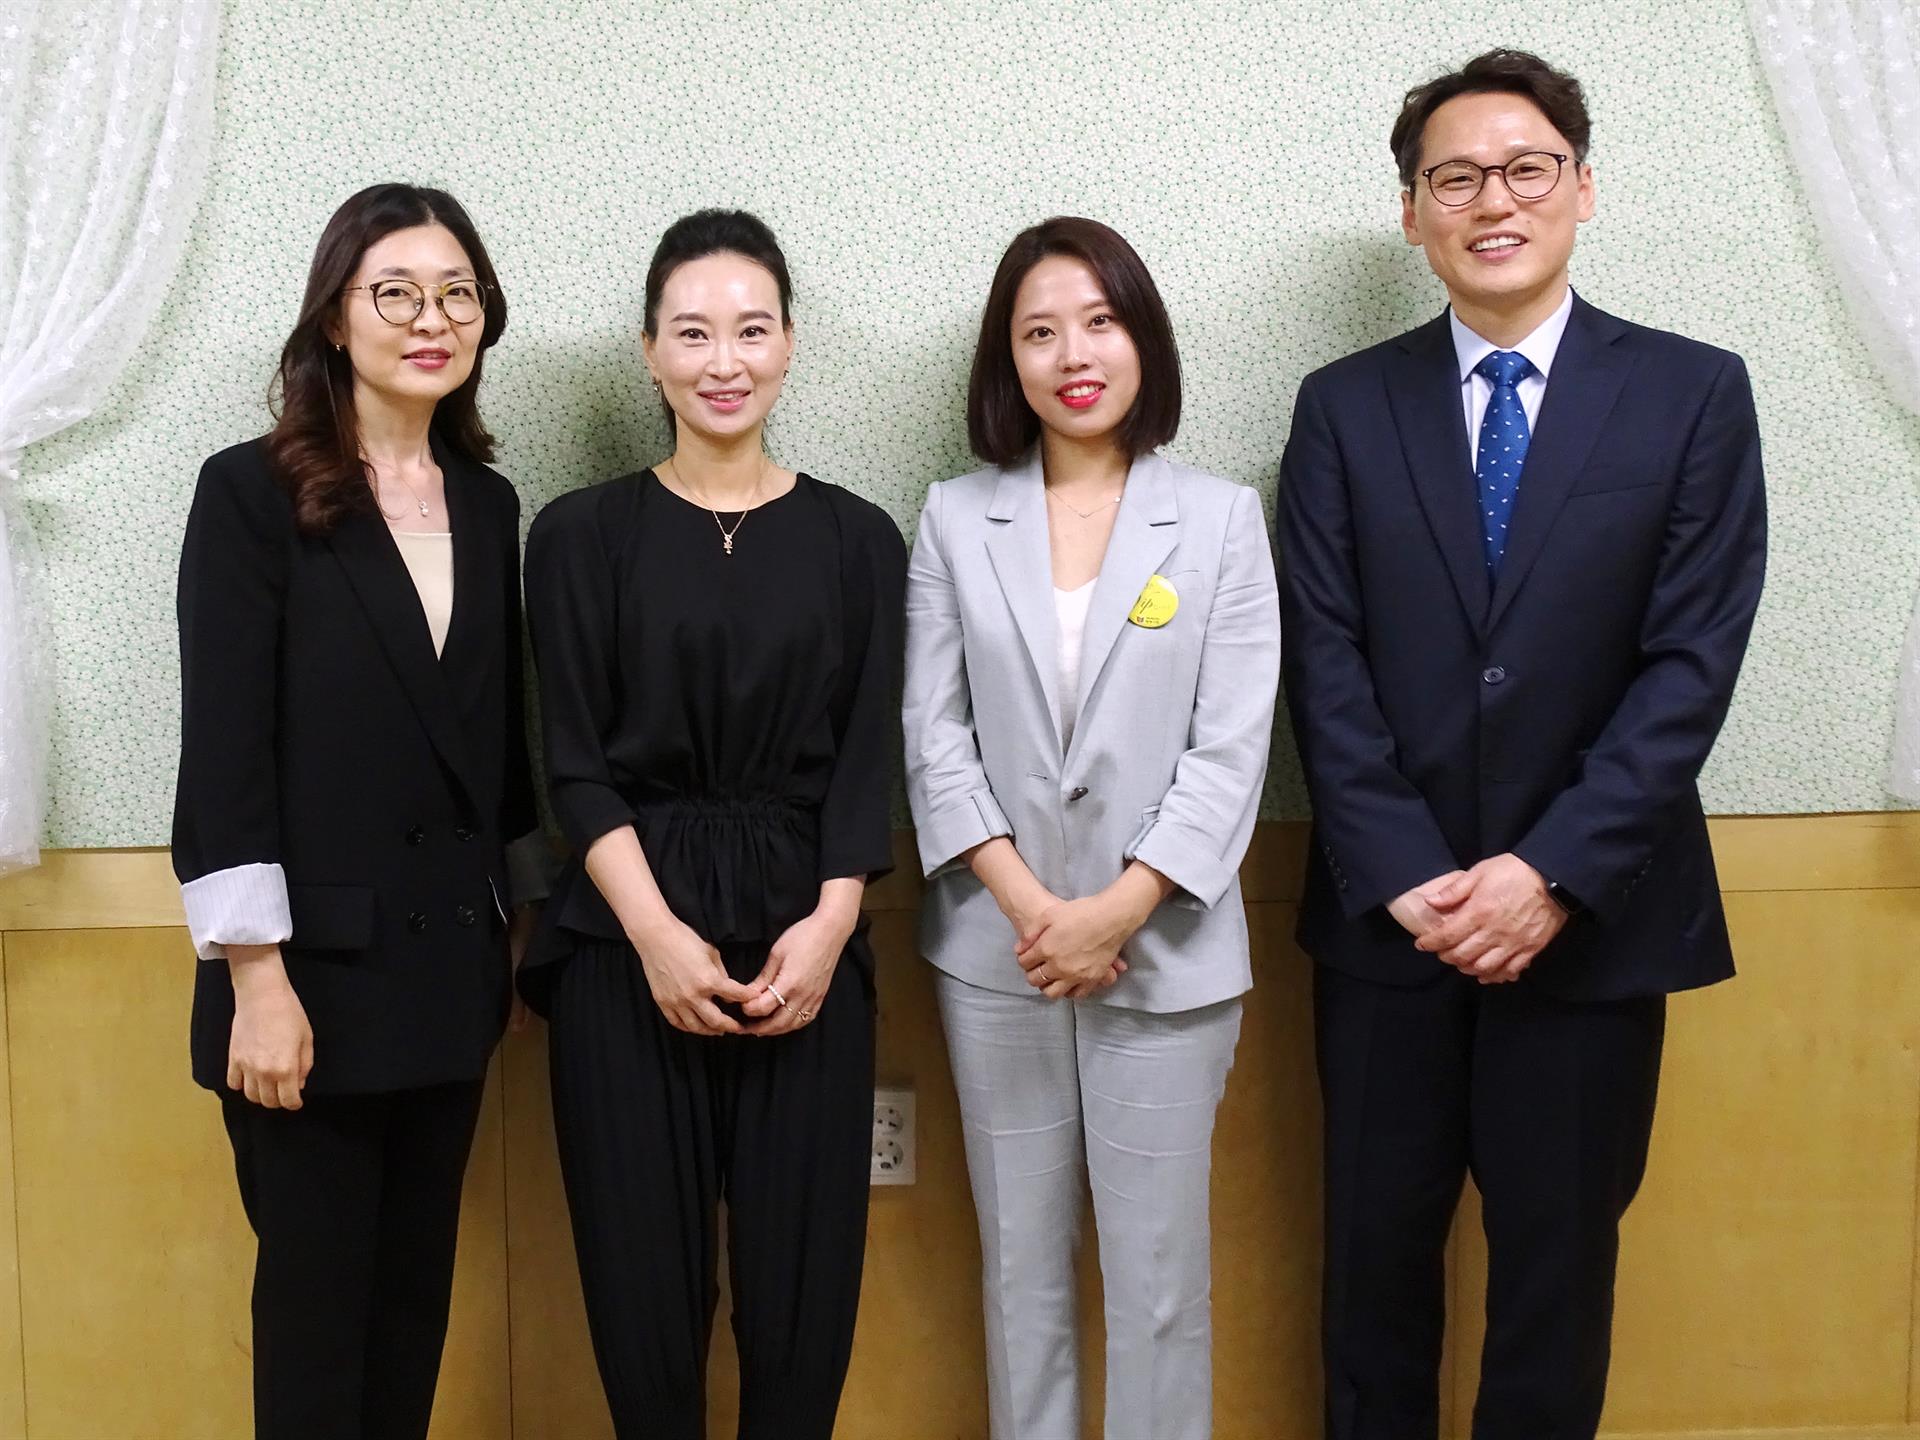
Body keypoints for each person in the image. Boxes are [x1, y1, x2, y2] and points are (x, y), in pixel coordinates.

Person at [1275, 48, 1768, 1440]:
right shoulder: (1342, 407)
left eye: (1526, 168)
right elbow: (1323, 660)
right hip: (1391, 927)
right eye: (1455, 178)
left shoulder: (1692, 394)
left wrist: (1547, 874)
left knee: (1557, 1281)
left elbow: (1691, 665)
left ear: (1582, 187)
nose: (1494, 200)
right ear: (1412, 213)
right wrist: (1411, 876)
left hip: (1594, 924)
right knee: (1372, 1278)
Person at [519, 208, 905, 1440]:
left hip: (809, 938)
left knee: (803, 1311)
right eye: (692, 333)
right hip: (623, 940)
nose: (723, 360)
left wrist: (831, 927)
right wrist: (657, 938)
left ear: (789, 343)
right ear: (649, 353)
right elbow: (573, 766)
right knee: (644, 1316)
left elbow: (867, 763)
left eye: (751, 329)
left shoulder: (859, 538)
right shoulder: (577, 535)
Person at [172, 182, 543, 1440]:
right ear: (336, 317)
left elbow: (493, 746)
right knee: (318, 1336)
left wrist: (513, 929)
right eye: (396, 293)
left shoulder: (488, 504)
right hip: (305, 990)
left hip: (447, 980)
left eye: (458, 294)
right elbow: (225, 758)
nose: (432, 320)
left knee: (409, 1319)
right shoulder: (252, 494)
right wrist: (257, 981)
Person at [902, 216, 1280, 1440]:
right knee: (1022, 1276)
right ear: (1005, 360)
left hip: (1164, 952)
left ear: (1142, 339)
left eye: (1100, 322)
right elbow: (934, 736)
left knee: (1159, 1283)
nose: (1074, 354)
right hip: (997, 952)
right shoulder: (955, 518)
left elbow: (1232, 748)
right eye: (1040, 331)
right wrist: (1033, 909)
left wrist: (1118, 909)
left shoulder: (1220, 519)